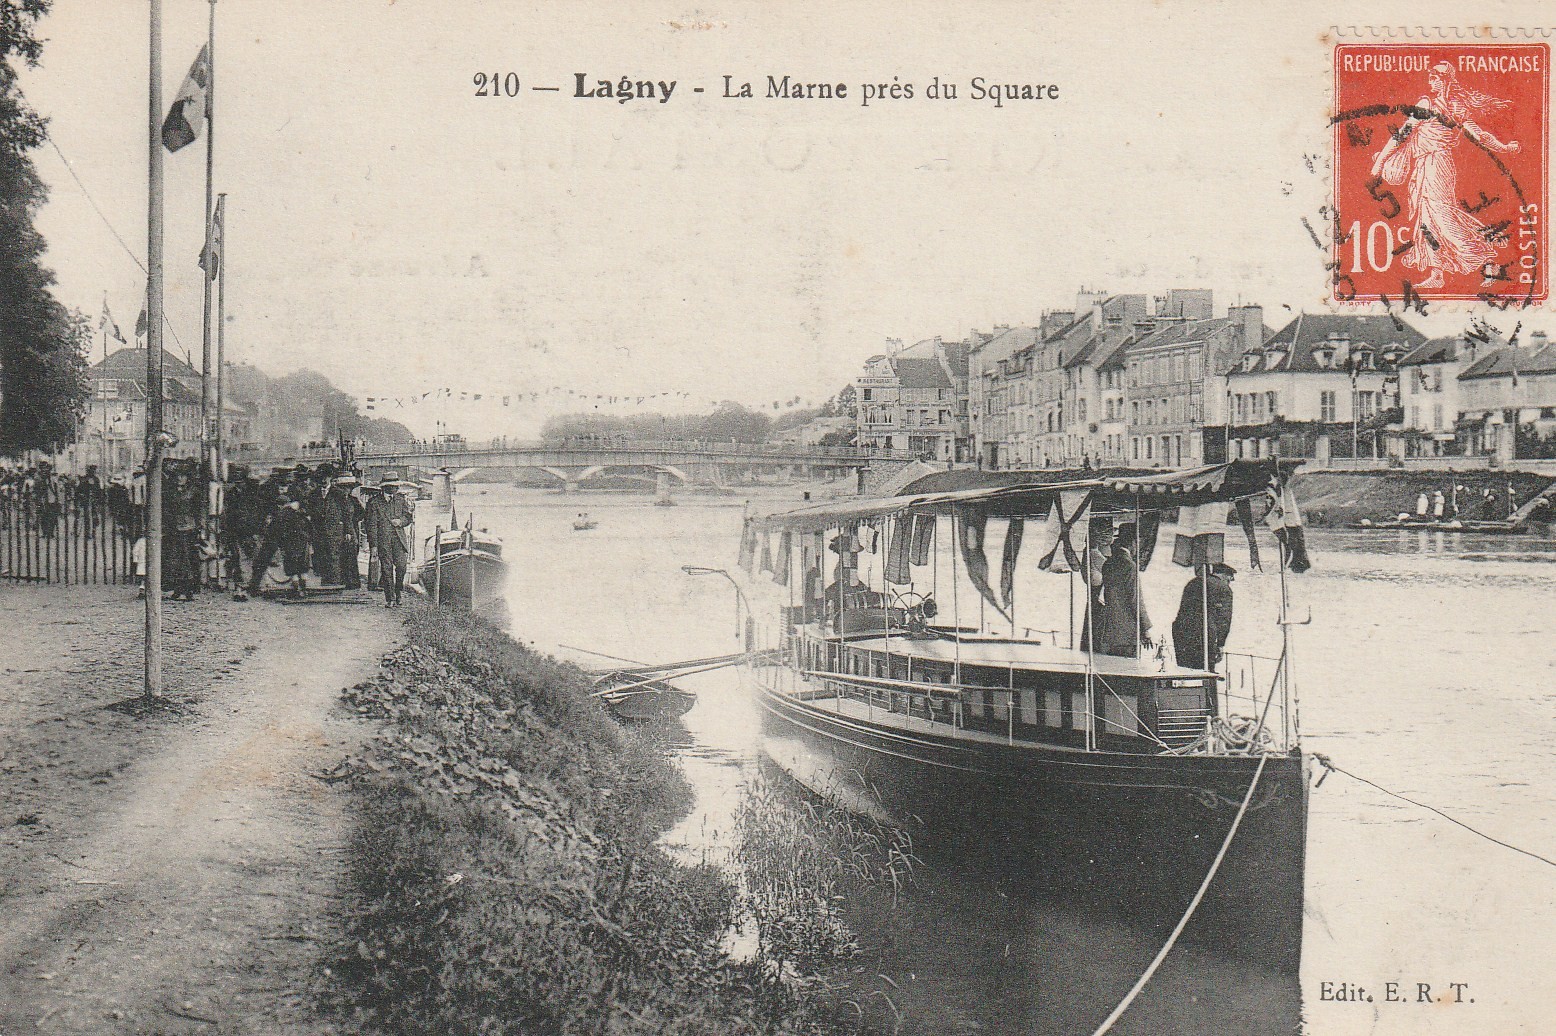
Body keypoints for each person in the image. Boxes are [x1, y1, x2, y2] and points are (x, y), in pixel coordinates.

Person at [1369, 61, 1521, 289]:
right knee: (1426, 218)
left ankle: (1486, 257)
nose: (1430, 81)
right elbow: (1404, 134)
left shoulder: (1442, 106)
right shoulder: (1432, 104)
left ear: (1444, 80)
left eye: (1434, 78)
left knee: (1442, 216)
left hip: (1437, 166)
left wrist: (1505, 147)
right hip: (1425, 165)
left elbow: (1478, 135)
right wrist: (1380, 162)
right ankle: (1437, 273)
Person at [1098, 525, 1152, 658]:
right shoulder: (1129, 566)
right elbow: (1136, 600)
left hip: (1109, 631)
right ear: (1133, 542)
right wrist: (1145, 629)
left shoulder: (1108, 563)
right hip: (1127, 635)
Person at [1172, 562, 1235, 670]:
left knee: (1184, 671)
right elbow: (1224, 620)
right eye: (1229, 579)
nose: (1229, 582)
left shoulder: (1193, 583)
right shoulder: (1224, 589)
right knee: (1206, 673)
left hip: (1181, 633)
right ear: (1224, 575)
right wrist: (1220, 645)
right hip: (1204, 636)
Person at [365, 476, 413, 606]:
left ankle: (398, 592)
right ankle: (390, 598)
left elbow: (408, 517)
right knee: (386, 569)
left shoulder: (400, 500)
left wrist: (401, 521)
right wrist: (373, 546)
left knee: (402, 567)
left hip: (399, 540)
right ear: (385, 487)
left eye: (396, 486)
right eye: (393, 486)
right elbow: (371, 526)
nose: (396, 488)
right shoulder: (374, 503)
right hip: (383, 541)